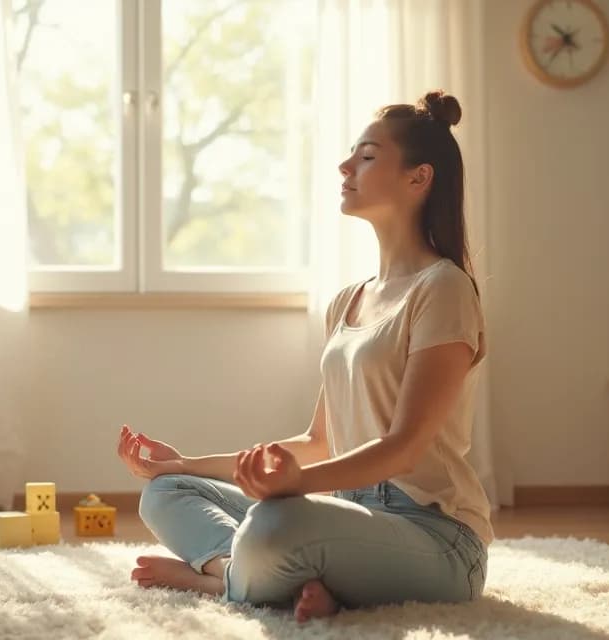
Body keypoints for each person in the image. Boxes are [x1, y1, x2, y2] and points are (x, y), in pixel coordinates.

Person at [115, 90, 489, 623]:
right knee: (165, 492)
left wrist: (292, 488)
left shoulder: (443, 288)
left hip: (436, 538)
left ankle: (220, 579)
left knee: (276, 524)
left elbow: (405, 450)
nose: (345, 165)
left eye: (366, 155)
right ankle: (256, 575)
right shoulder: (347, 301)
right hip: (348, 518)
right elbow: (318, 441)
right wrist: (182, 463)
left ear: (418, 177)